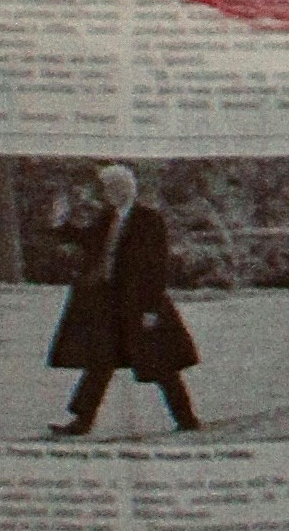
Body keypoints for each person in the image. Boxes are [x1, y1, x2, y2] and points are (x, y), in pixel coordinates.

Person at [46, 163, 199, 438]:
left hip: (140, 303)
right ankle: (81, 422)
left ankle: (186, 418)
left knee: (161, 363)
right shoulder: (107, 218)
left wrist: (152, 309)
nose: (107, 193)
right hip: (109, 303)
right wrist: (61, 225)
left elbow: (158, 265)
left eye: (112, 188)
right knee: (99, 362)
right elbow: (86, 240)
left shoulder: (148, 219)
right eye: (105, 188)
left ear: (126, 188)